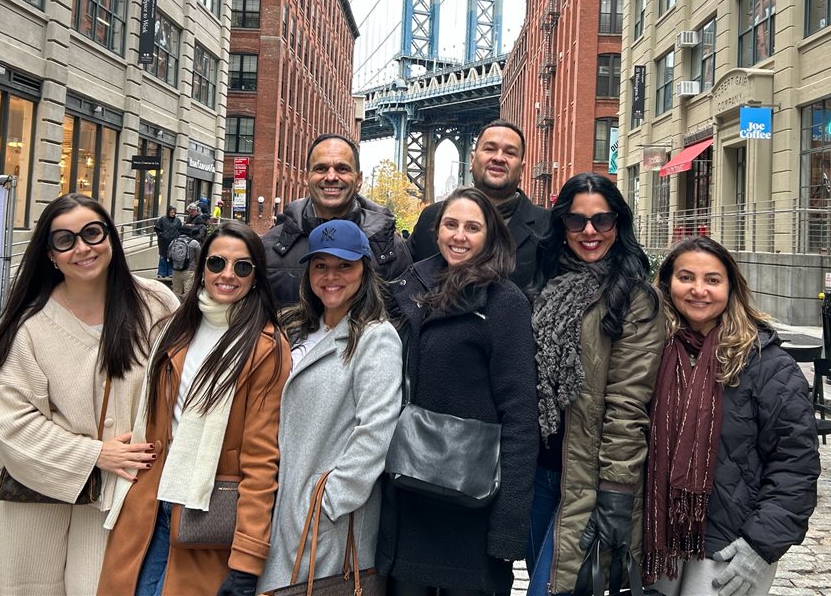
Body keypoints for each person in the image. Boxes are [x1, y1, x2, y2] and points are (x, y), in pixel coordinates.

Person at [0, 193, 178, 596]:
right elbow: (12, 421)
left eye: (92, 233)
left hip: (124, 487)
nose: (82, 248)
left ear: (111, 237)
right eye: (65, 240)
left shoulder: (157, 304)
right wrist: (95, 454)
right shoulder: (27, 326)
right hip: (33, 489)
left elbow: (181, 384)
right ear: (50, 254)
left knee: (102, 586)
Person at [97, 221, 289, 596]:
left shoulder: (267, 347)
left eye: (243, 267)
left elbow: (261, 459)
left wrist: (247, 561)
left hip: (207, 513)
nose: (228, 275)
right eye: (217, 263)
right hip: (149, 504)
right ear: (201, 268)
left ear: (256, 277)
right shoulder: (174, 329)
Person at [376, 187, 538, 596]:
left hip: (470, 510)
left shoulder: (504, 303)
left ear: (490, 237)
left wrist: (507, 528)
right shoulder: (409, 289)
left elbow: (520, 416)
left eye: (472, 227)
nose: (459, 236)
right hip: (409, 501)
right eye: (451, 224)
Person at [643, 236, 819, 596]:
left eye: (712, 280)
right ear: (666, 283)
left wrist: (760, 546)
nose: (698, 290)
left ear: (731, 288)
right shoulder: (646, 352)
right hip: (656, 540)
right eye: (686, 277)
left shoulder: (768, 365)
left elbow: (795, 464)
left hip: (731, 545)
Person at [525, 172, 666, 596]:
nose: (589, 231)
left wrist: (617, 492)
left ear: (618, 225)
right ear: (562, 226)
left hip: (589, 478)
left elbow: (628, 405)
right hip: (538, 474)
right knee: (544, 578)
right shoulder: (543, 288)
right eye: (577, 221)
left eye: (602, 221)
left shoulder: (635, 300)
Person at [257, 220, 403, 592]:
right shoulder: (297, 329)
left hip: (327, 521)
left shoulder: (376, 337)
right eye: (320, 265)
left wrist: (330, 502)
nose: (330, 276)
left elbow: (375, 432)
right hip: (281, 507)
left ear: (364, 271)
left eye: (344, 266)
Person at [261, 134, 411, 307]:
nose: (331, 177)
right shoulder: (270, 246)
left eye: (342, 169)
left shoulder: (389, 248)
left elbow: (403, 319)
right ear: (306, 178)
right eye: (321, 168)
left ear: (359, 180)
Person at [408, 120, 549, 290]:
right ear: (472, 160)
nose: (498, 158)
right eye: (489, 149)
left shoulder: (547, 227)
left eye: (510, 153)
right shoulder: (430, 218)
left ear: (522, 169)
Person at [154, 207, 183, 278]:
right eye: (171, 212)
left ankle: (171, 273)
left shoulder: (178, 221)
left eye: (174, 212)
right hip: (163, 242)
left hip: (174, 242)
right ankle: (161, 273)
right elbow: (157, 228)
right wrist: (161, 235)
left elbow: (180, 230)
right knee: (163, 257)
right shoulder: (162, 219)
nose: (173, 214)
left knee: (172, 257)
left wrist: (178, 237)